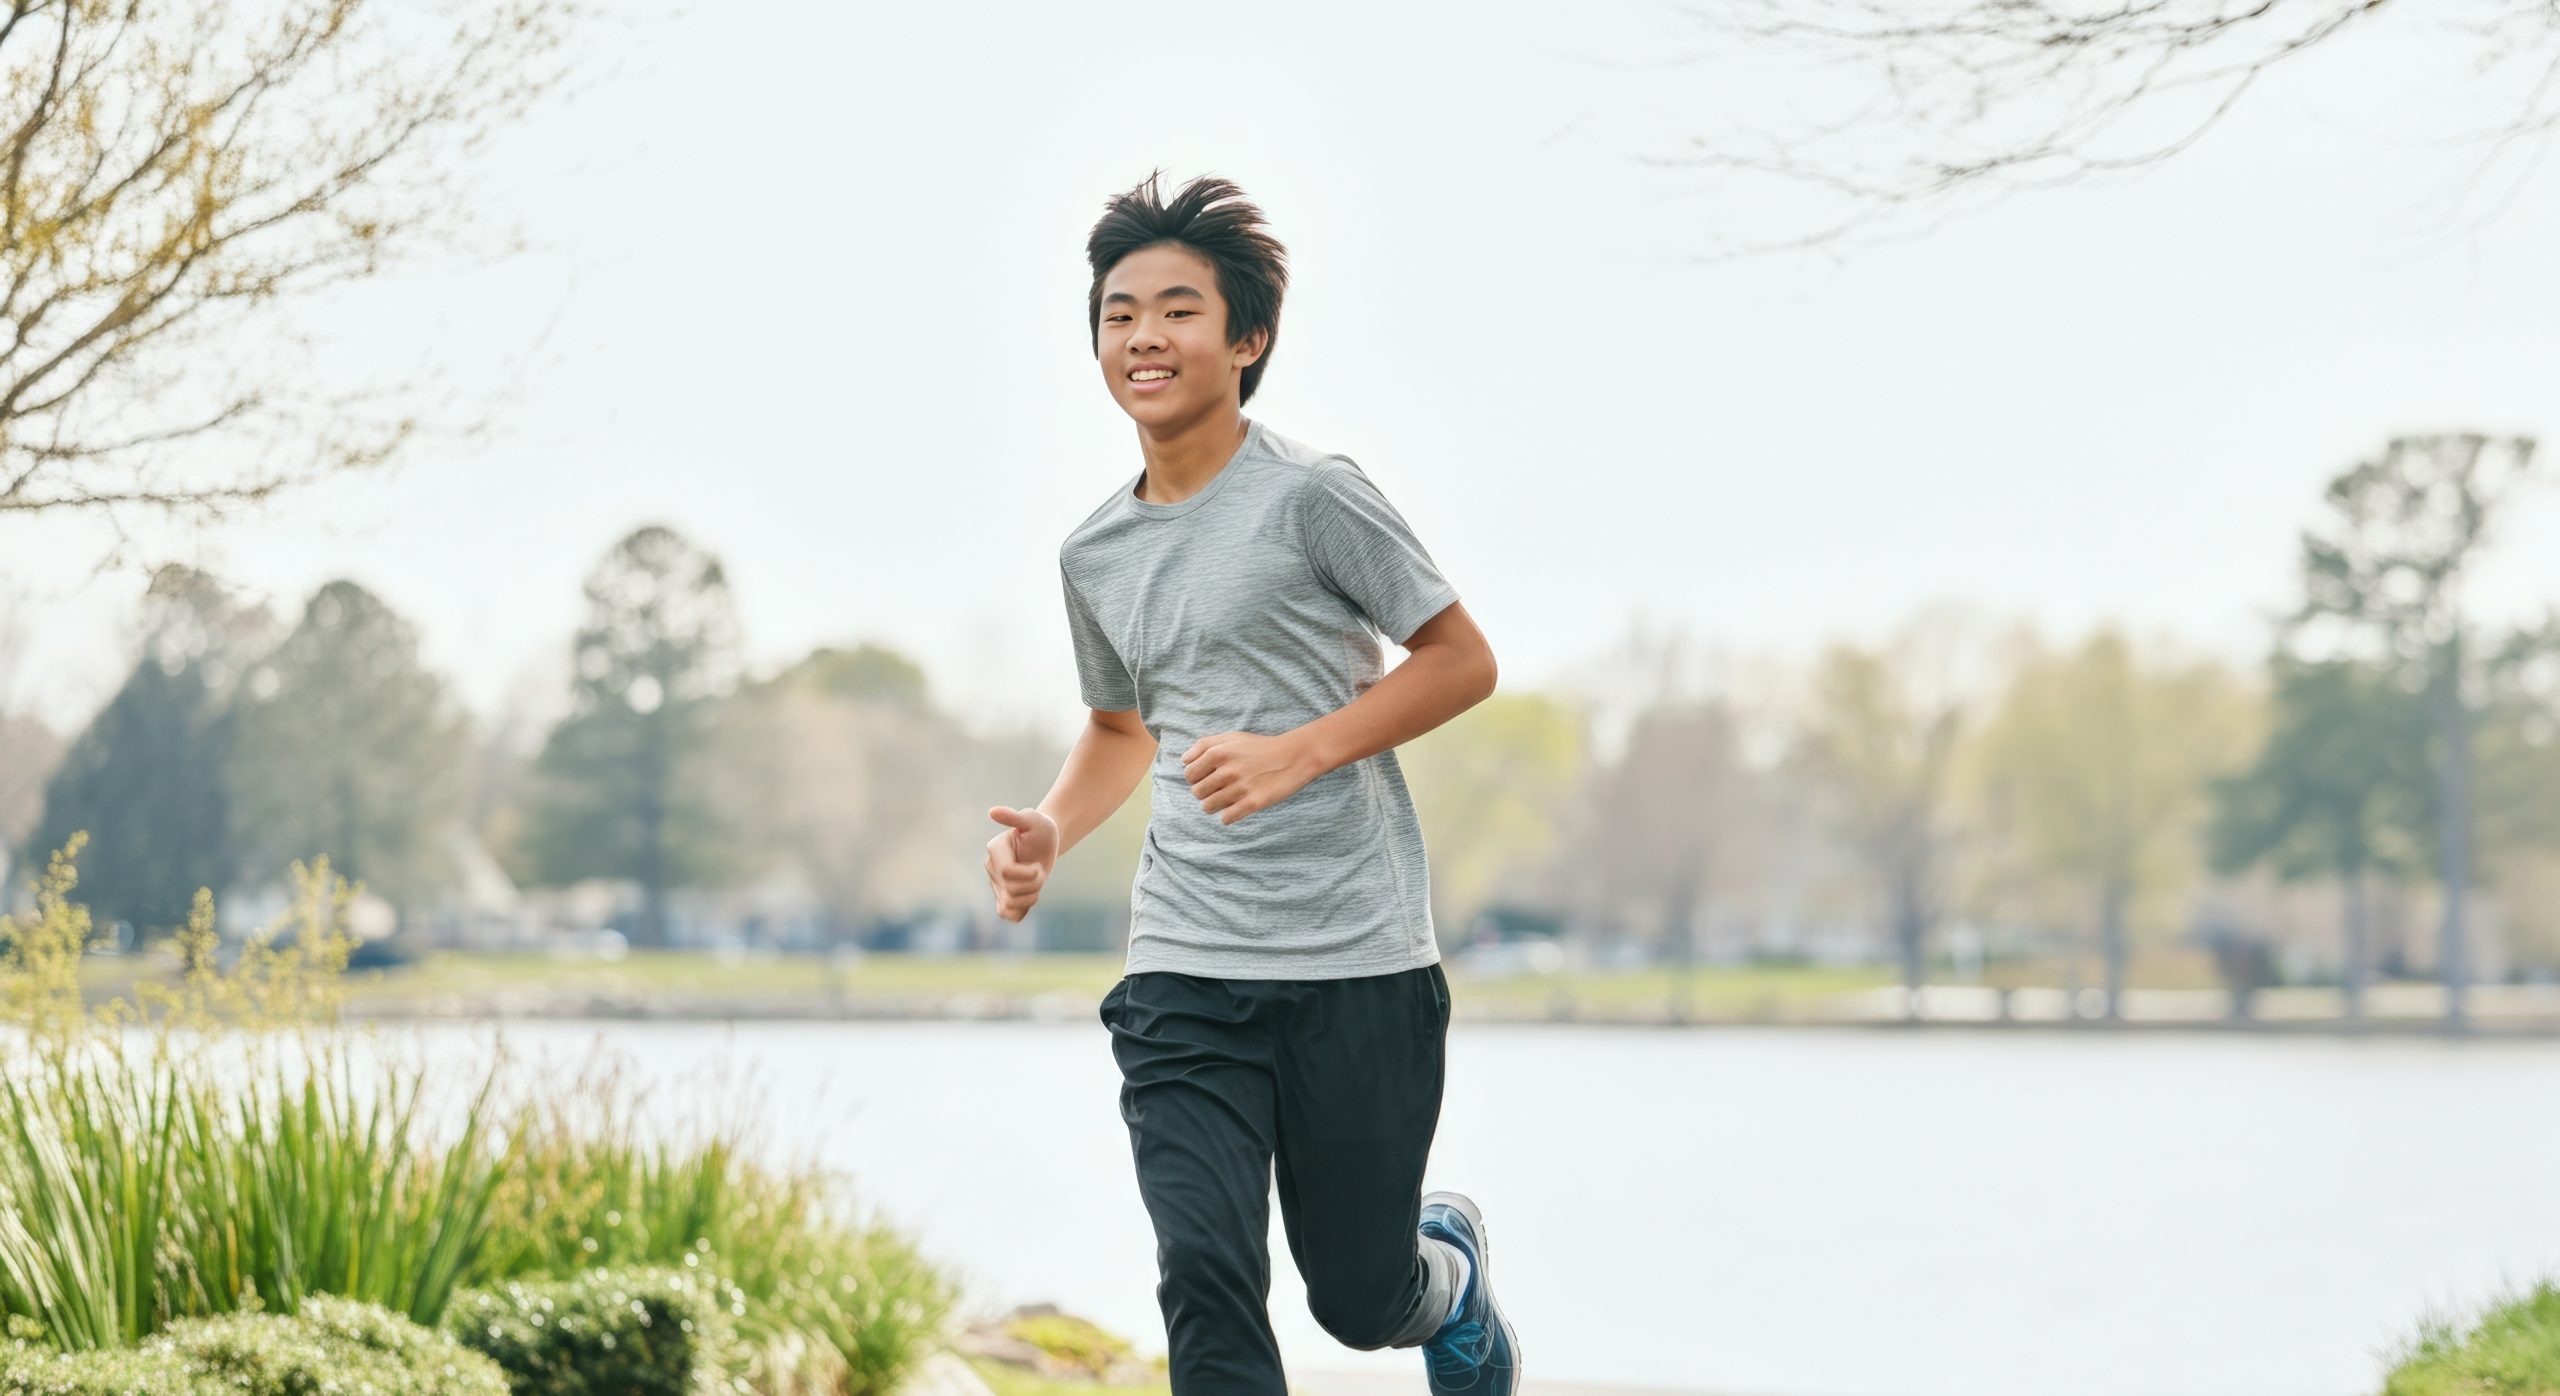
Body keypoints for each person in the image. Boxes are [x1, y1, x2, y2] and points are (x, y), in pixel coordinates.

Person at [983, 170, 1521, 1396]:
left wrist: (1301, 747)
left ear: (1246, 339)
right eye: (1119, 315)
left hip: (1356, 959)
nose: (1143, 338)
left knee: (1356, 1294)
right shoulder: (1094, 549)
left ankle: (1447, 1274)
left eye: (1177, 310)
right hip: (1186, 963)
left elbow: (1461, 661)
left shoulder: (1313, 496)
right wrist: (1051, 831)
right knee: (1206, 1275)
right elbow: (1121, 726)